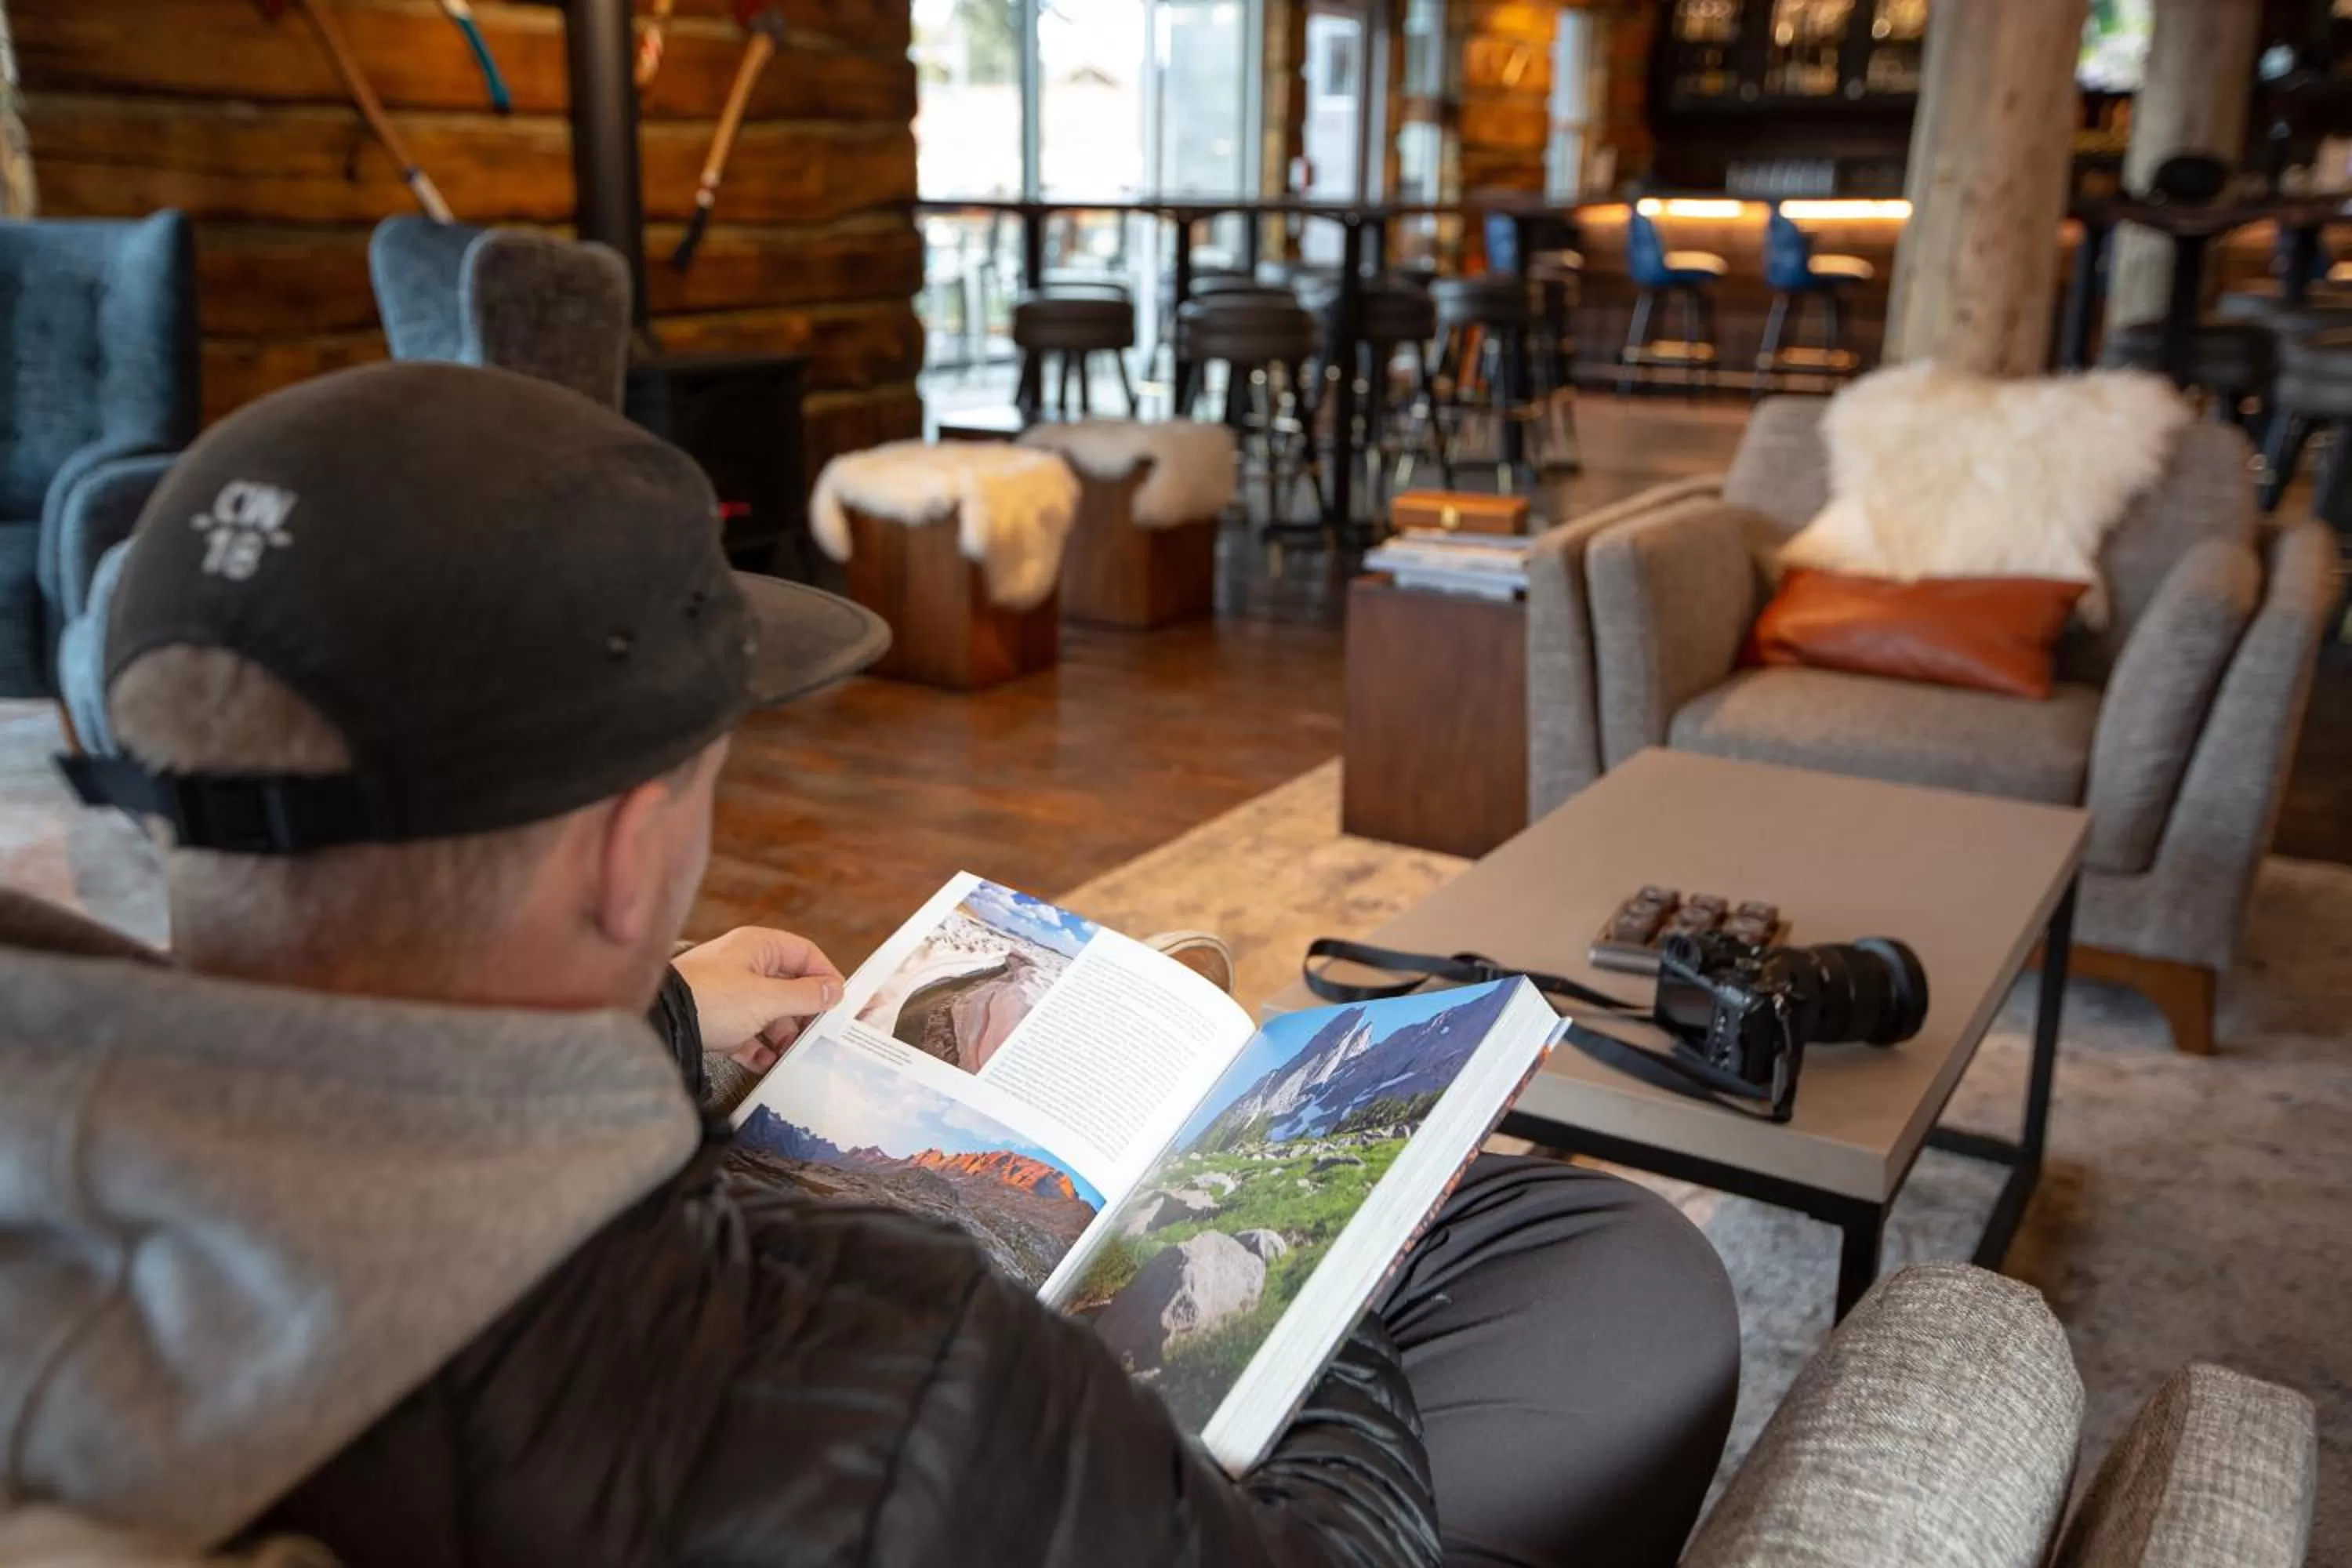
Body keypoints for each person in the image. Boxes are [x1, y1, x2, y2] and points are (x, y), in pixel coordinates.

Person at [0, 363, 1739, 1568]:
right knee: (1626, 1276)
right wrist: (1302, 1257)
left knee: (1548, 1234)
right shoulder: (909, 1381)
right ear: (627, 850)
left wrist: (664, 1015)